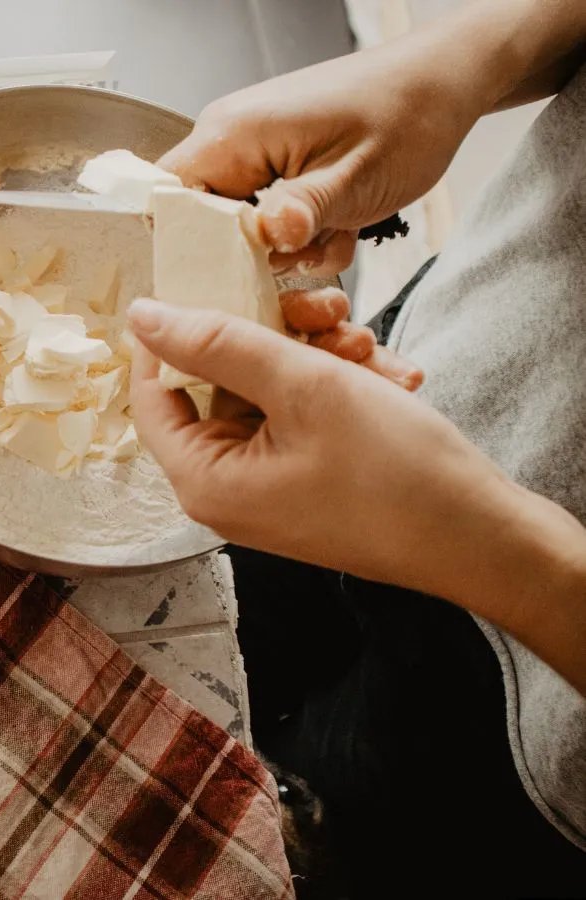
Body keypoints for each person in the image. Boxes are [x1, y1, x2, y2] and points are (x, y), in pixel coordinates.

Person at [124, 0, 586, 895]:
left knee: (337, 828)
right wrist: (470, 59)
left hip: (527, 753)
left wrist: (505, 556)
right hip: (424, 386)